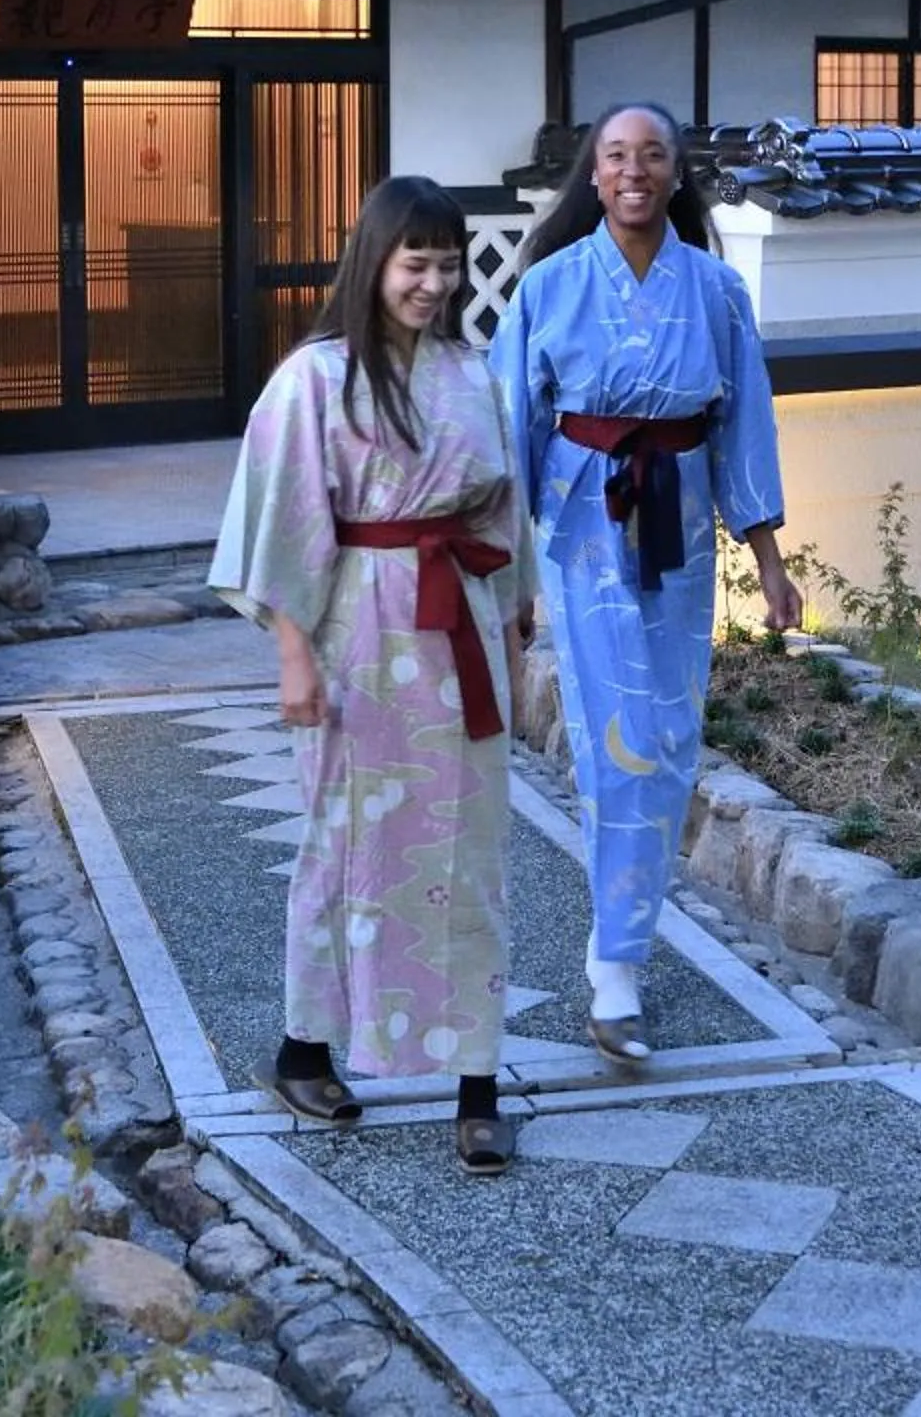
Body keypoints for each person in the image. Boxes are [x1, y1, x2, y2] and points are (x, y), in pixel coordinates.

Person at [208, 175, 530, 1176]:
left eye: (446, 262)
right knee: (343, 841)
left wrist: (515, 639)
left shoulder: (472, 372)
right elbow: (281, 520)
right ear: (374, 261)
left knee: (469, 853)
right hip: (357, 630)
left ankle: (478, 1082)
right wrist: (292, 654)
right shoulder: (312, 378)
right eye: (413, 262)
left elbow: (499, 520)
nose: (432, 282)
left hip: (459, 633)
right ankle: (304, 1048)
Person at [493, 103, 802, 1066]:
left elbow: (744, 421)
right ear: (593, 174)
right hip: (585, 524)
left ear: (675, 175)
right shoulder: (548, 287)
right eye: (616, 156)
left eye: (652, 156)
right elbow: (511, 428)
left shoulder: (714, 291)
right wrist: (510, 576)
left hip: (680, 525)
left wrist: (770, 559)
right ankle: (616, 964)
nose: (633, 172)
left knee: (669, 738)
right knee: (610, 734)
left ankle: (619, 941)